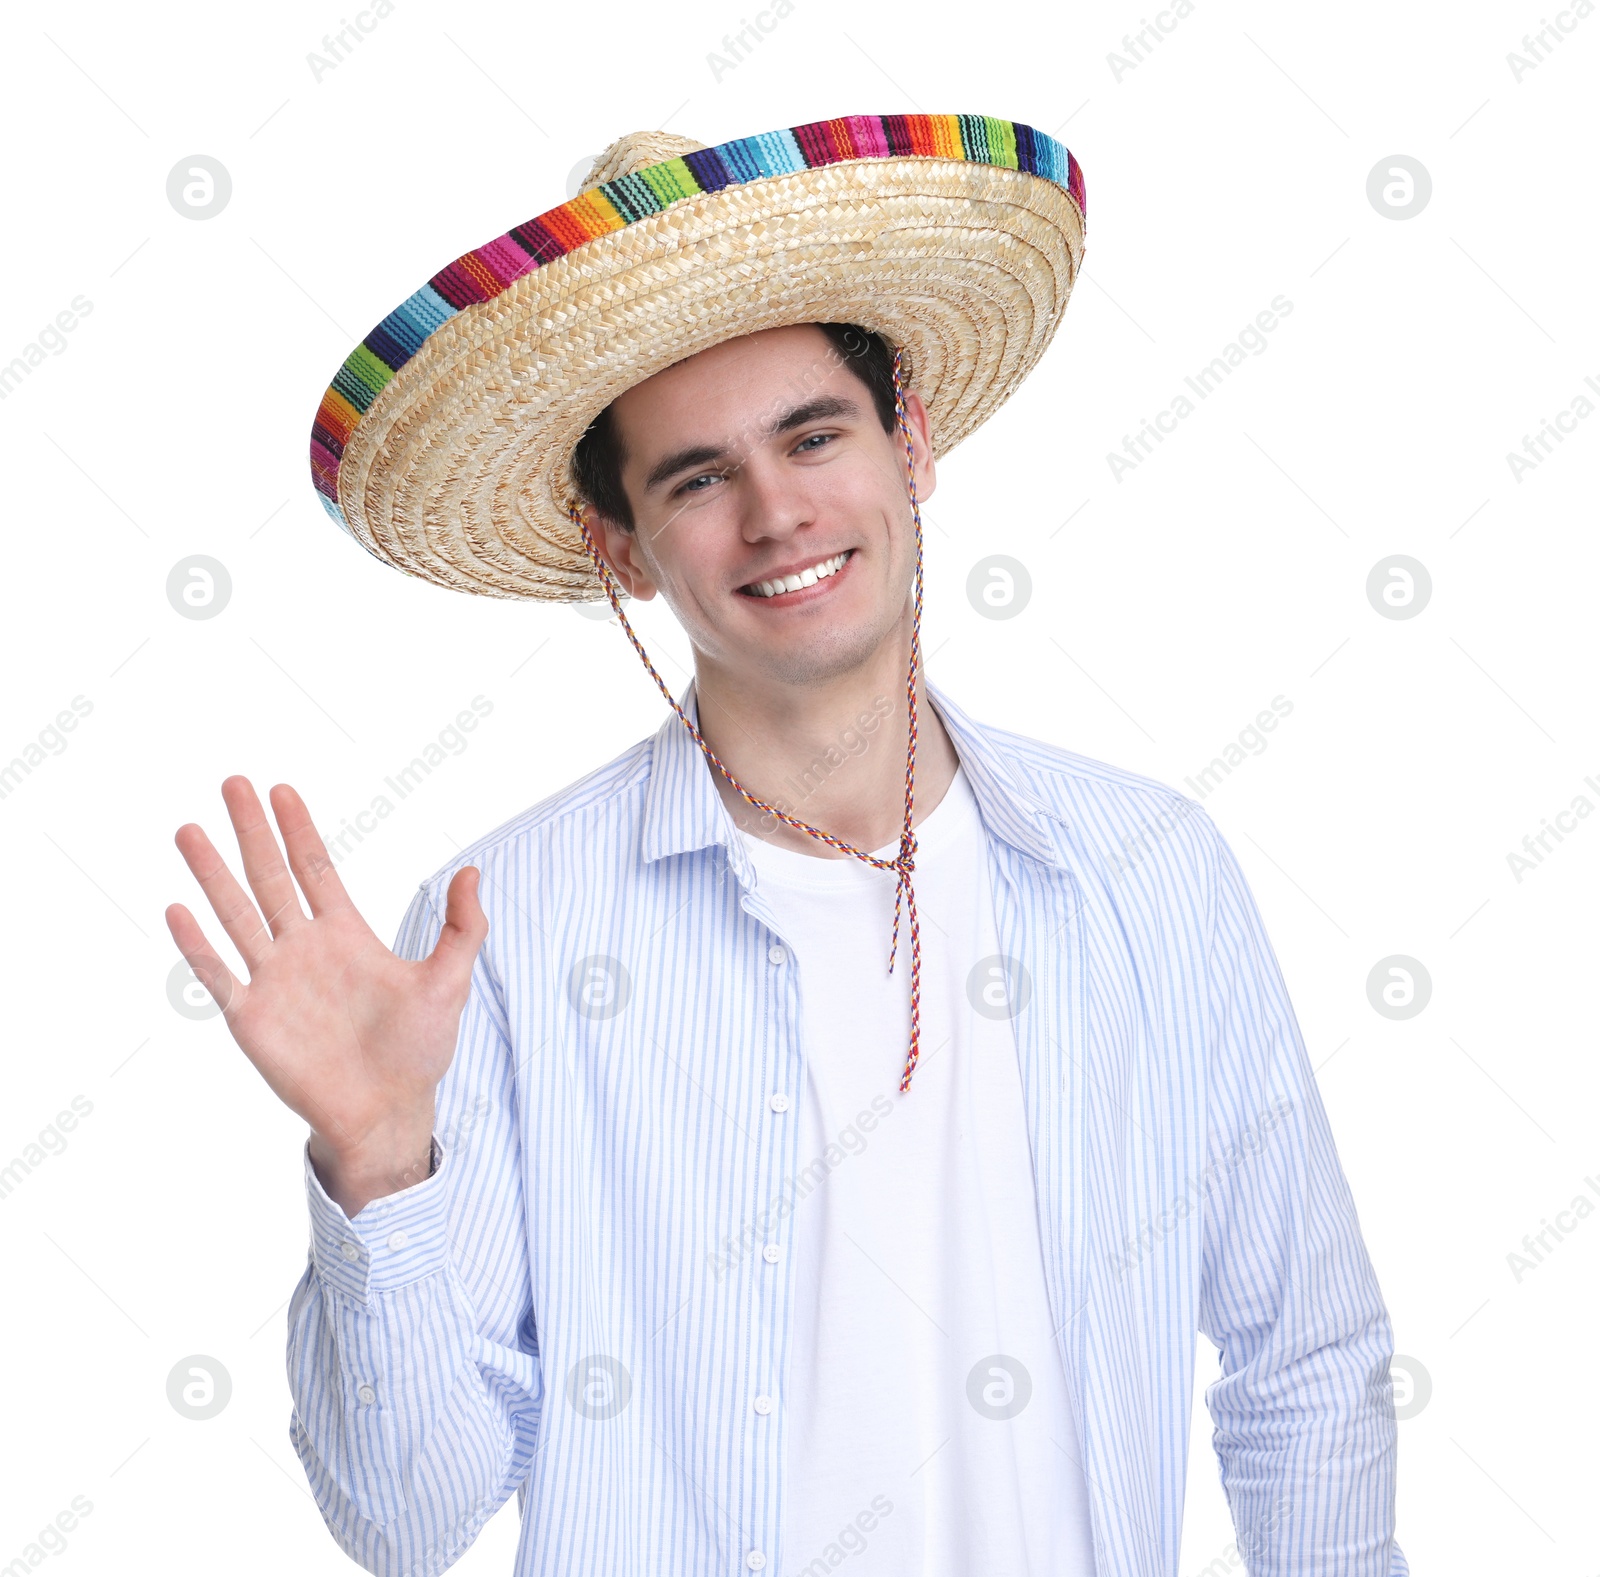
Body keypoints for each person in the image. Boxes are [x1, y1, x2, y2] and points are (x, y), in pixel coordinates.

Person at [166, 115, 1408, 1576]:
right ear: (621, 546)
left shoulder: (1150, 871)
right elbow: (407, 1517)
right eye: (694, 478)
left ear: (912, 443)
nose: (776, 513)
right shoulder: (506, 926)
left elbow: (1305, 1359)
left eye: (813, 434)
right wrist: (379, 1160)